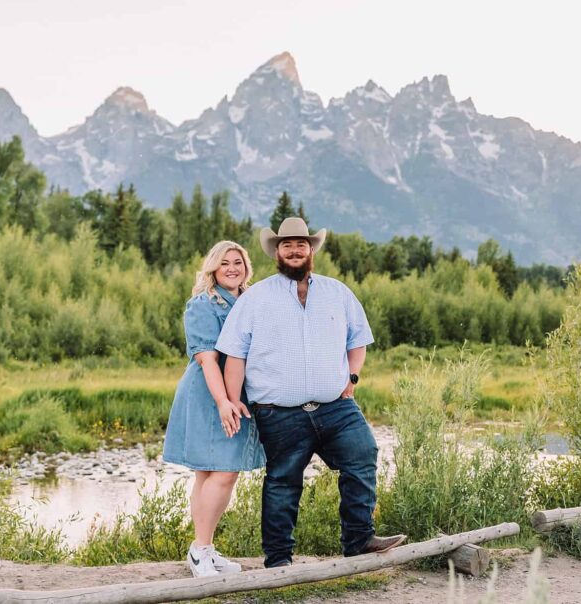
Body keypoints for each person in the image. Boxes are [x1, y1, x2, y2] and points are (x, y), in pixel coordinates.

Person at [217, 217, 406, 568]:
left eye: (300, 244)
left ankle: (359, 541)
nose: (293, 250)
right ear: (277, 251)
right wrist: (235, 402)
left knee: (363, 455)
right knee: (283, 482)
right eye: (286, 245)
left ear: (310, 249)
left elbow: (358, 340)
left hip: (336, 407)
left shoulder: (338, 293)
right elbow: (235, 354)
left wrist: (351, 378)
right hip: (278, 412)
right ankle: (278, 561)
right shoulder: (256, 297)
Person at [162, 240, 266, 577]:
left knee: (211, 474)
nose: (233, 268)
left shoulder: (248, 301)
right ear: (213, 269)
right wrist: (223, 402)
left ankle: (204, 547)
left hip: (237, 393)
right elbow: (207, 359)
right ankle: (200, 551)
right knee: (222, 472)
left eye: (238, 262)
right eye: (225, 263)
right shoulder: (202, 304)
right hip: (209, 394)